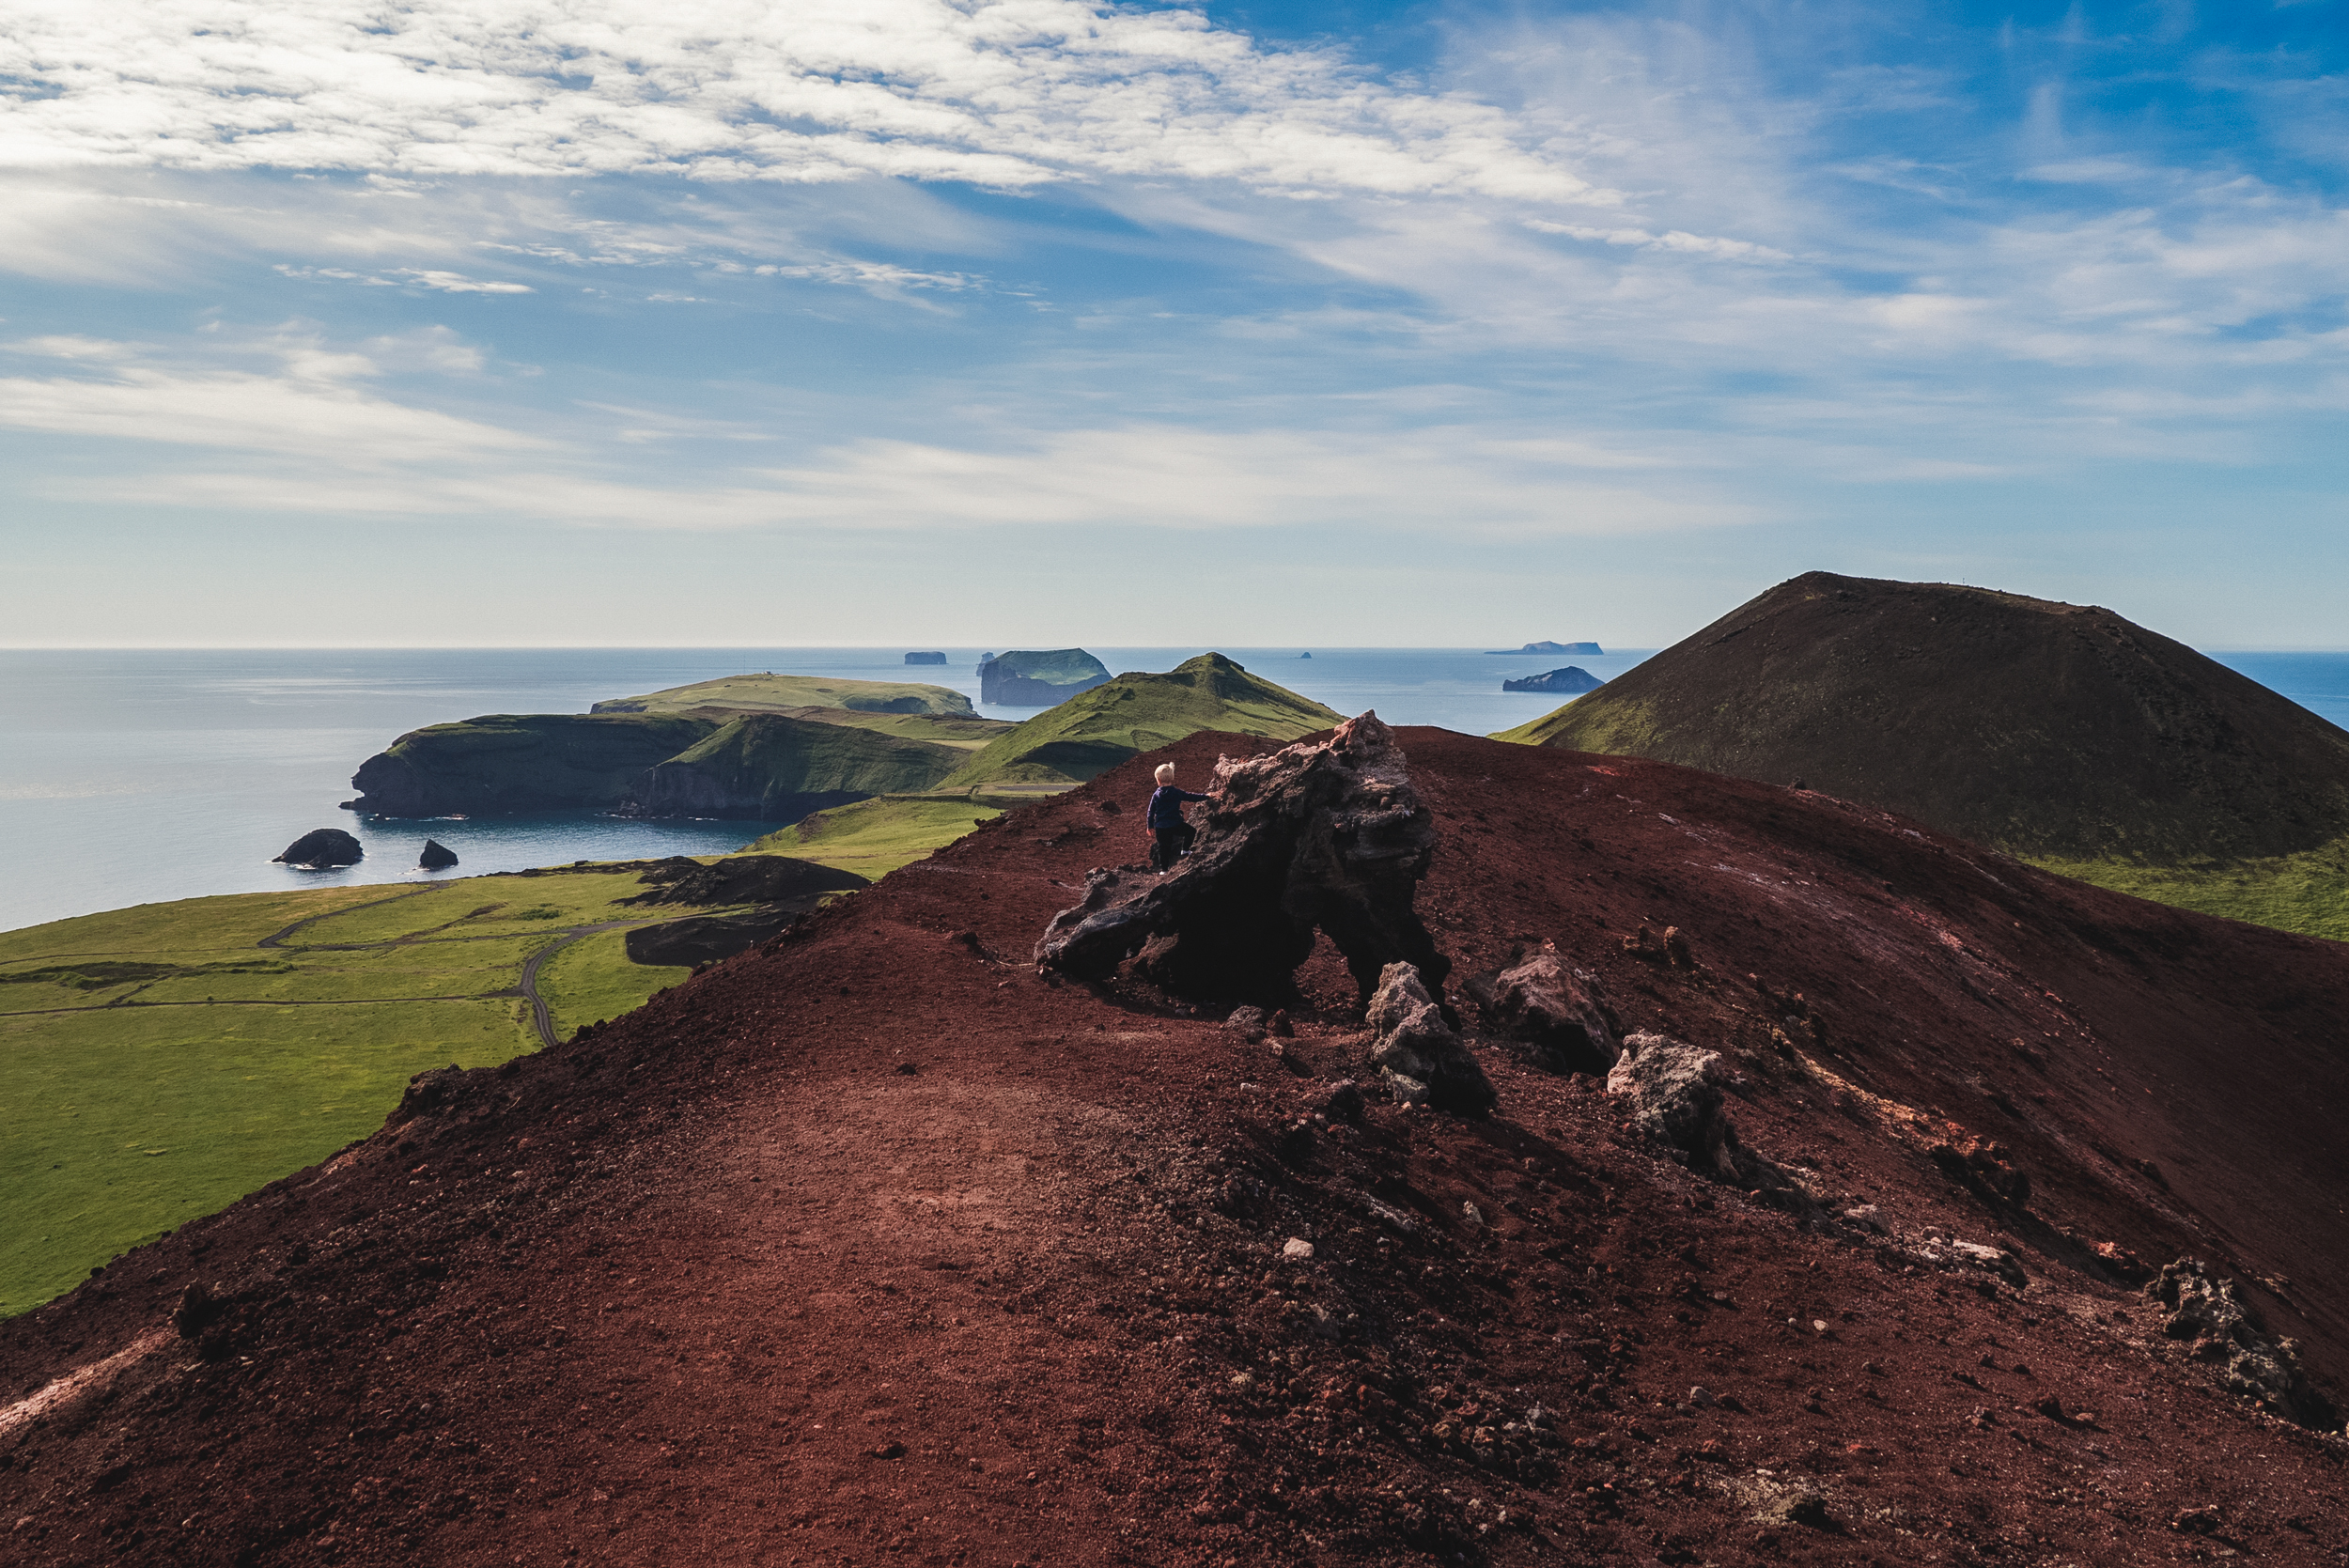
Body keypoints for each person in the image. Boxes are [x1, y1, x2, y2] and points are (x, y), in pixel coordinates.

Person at [1146, 761, 1207, 871]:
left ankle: (1164, 870)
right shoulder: (1176, 792)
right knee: (1191, 831)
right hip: (1175, 824)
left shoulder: (1156, 795)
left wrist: (1150, 826)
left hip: (1161, 827)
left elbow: (1150, 812)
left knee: (1163, 848)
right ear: (1172, 778)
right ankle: (1185, 850)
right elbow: (1191, 796)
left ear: (1158, 780)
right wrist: (1206, 796)